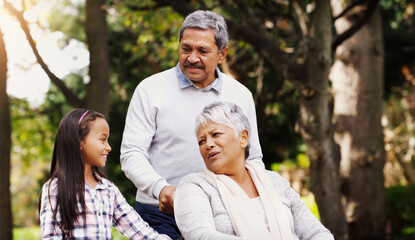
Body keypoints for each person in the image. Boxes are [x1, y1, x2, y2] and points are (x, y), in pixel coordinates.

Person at [120, 10, 264, 239]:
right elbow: (131, 153)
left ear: (222, 54)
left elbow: (253, 157)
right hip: (160, 212)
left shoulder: (240, 94)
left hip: (223, 210)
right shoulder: (150, 89)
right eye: (186, 48)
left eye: (203, 51)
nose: (192, 57)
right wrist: (161, 189)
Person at [174, 101, 335, 240]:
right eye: (202, 141)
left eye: (216, 134)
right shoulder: (194, 187)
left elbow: (317, 232)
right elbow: (200, 236)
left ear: (243, 138)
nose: (208, 144)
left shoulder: (275, 182)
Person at [39, 109, 170, 239]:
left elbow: (139, 230)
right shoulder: (55, 189)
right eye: (102, 140)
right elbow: (51, 236)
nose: (108, 147)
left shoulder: (108, 190)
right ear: (79, 141)